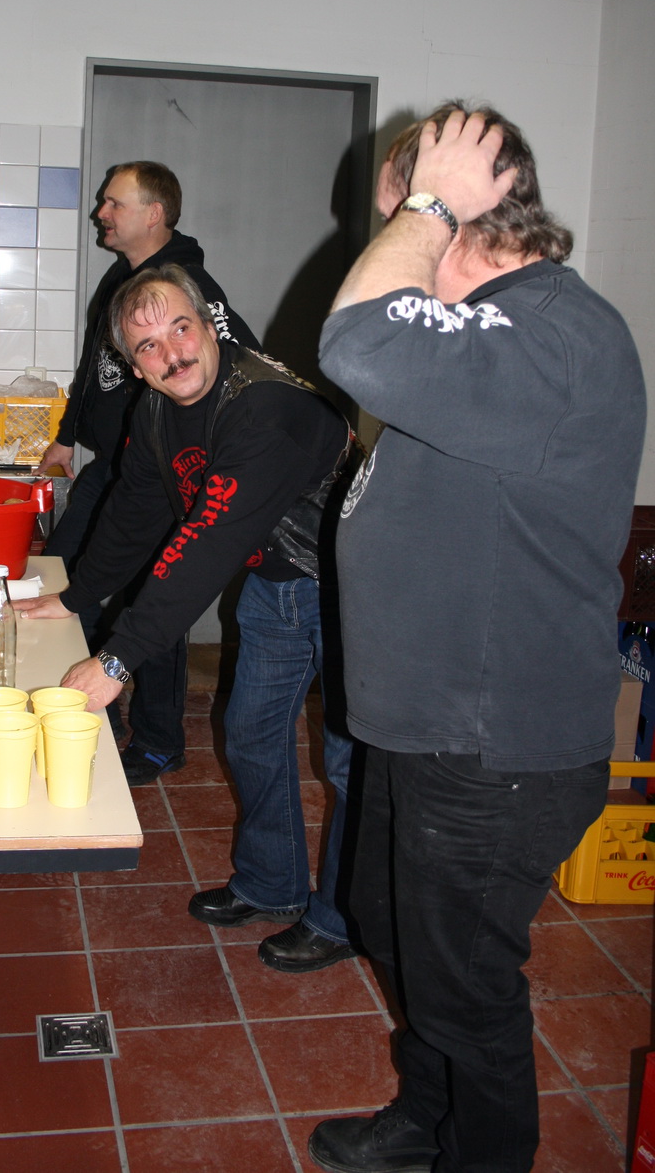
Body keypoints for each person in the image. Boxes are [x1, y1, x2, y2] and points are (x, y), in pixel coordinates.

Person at [309, 104, 646, 1173]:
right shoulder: (487, 332)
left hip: (494, 746)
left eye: (404, 218)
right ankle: (430, 1117)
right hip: (430, 727)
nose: (394, 243)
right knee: (387, 923)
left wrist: (428, 201)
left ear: (457, 210)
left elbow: (357, 341)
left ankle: (481, 1151)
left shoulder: (549, 333)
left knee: (463, 983)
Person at [26, 265, 360, 967]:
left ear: (212, 327)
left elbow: (209, 540)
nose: (172, 354)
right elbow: (134, 512)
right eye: (148, 345)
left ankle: (341, 918)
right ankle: (270, 884)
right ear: (134, 366)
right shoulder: (156, 412)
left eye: (181, 328)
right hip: (277, 582)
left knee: (348, 758)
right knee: (251, 734)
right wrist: (77, 596)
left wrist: (118, 657)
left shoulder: (264, 408)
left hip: (356, 586)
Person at [38, 160, 258, 786]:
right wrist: (65, 436)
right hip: (117, 465)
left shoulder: (188, 285)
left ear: (154, 214)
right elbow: (93, 368)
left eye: (114, 203)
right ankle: (91, 712)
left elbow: (236, 362)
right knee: (63, 579)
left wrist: (204, 463)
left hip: (169, 474)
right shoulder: (122, 280)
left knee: (151, 600)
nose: (101, 213)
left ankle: (159, 739)